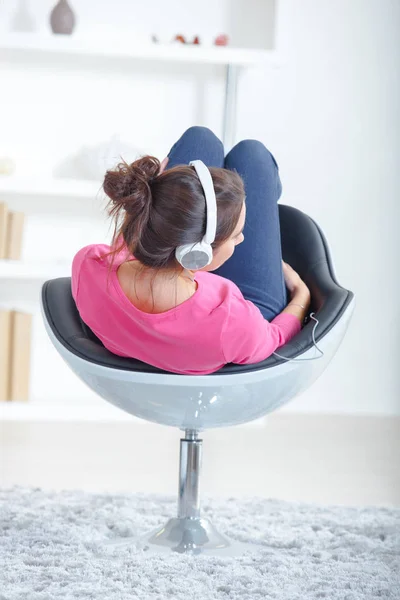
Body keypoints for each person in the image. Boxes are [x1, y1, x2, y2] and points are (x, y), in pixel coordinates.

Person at [72, 127, 310, 375]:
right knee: (253, 154)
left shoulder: (88, 265)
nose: (242, 240)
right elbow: (277, 336)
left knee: (201, 138)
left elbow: (125, 247)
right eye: (236, 235)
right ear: (198, 254)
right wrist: (301, 294)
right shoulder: (238, 324)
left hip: (201, 318)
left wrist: (160, 199)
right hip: (225, 331)